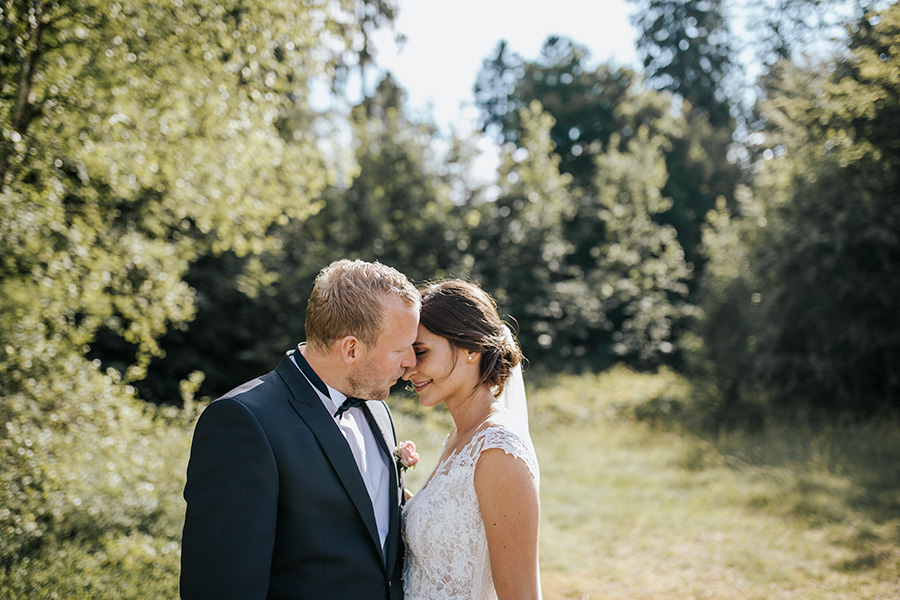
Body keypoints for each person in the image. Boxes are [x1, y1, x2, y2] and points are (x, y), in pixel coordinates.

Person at [180, 259, 420, 600]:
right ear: (351, 348)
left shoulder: (378, 409)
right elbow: (222, 586)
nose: (411, 361)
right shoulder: (244, 422)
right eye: (400, 349)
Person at [400, 279, 542, 600]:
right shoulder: (460, 437)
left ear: (471, 349)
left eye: (420, 352)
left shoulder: (498, 450)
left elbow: (521, 594)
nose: (408, 369)